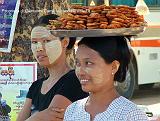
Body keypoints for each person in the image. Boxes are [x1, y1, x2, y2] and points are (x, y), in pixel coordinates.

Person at [16, 14, 88, 121]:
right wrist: (38, 117)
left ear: (64, 42)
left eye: (46, 41)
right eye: (34, 42)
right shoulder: (36, 86)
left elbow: (51, 118)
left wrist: (35, 117)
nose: (39, 48)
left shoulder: (74, 79)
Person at [64, 36, 148, 121]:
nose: (80, 72)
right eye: (78, 63)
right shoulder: (72, 110)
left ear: (114, 67)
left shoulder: (131, 115)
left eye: (88, 63)